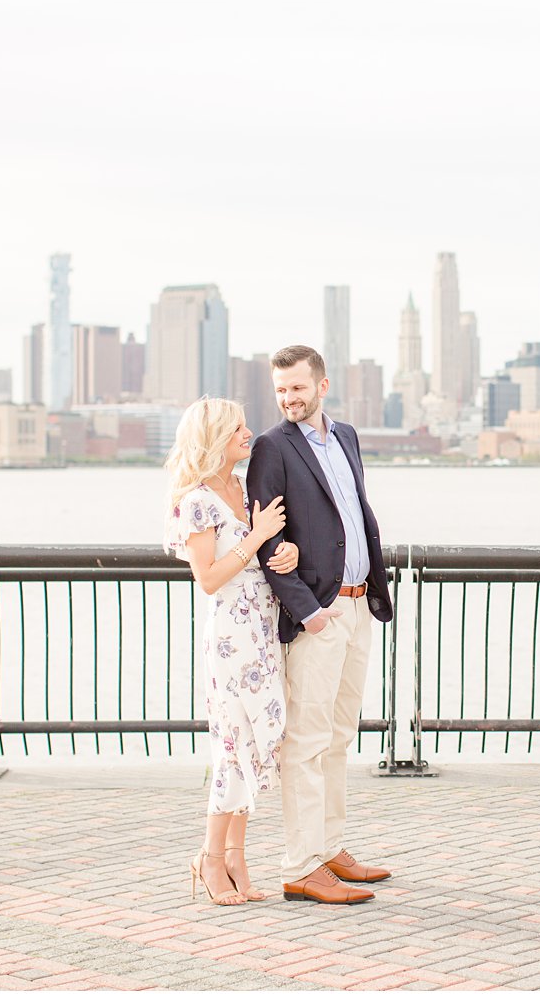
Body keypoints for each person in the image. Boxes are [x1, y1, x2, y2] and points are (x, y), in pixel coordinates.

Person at [247, 345, 395, 906]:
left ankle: (330, 849)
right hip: (318, 615)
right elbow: (268, 542)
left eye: (298, 388)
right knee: (306, 743)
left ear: (323, 385)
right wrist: (308, 611)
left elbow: (353, 513)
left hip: (358, 607)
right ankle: (300, 866)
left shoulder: (348, 437)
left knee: (339, 736)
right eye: (281, 390)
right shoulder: (271, 448)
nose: (289, 399)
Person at [164, 397, 300, 907]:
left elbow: (263, 554)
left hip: (264, 631)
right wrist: (259, 538)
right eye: (238, 427)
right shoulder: (197, 500)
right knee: (231, 745)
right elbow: (209, 578)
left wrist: (285, 549)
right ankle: (210, 857)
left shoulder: (243, 489)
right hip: (231, 638)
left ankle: (238, 856)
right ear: (216, 437)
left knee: (256, 742)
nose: (249, 433)